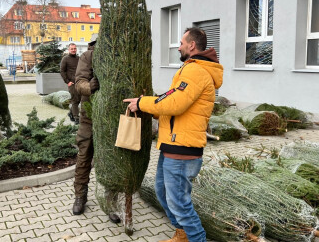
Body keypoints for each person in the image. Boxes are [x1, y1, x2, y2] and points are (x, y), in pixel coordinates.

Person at [124, 27, 223, 242]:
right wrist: (150, 103)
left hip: (182, 150)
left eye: (181, 42)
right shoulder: (190, 69)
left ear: (192, 45)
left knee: (180, 203)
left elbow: (175, 104)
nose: (178, 46)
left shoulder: (195, 71)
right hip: (172, 145)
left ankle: (196, 238)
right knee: (162, 191)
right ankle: (182, 234)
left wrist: (142, 102)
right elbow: (171, 99)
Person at [72, 36, 120, 224]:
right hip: (89, 118)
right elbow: (79, 82)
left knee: (108, 161)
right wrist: (89, 86)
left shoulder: (116, 56)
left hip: (110, 120)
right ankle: (80, 196)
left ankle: (110, 203)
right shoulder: (87, 56)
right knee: (84, 158)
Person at [60, 43, 81, 124]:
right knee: (75, 100)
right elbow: (62, 71)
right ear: (69, 49)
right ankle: (76, 118)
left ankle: (70, 113)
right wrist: (67, 82)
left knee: (78, 100)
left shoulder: (79, 58)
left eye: (74, 48)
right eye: (72, 49)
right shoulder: (65, 59)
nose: (73, 50)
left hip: (79, 82)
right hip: (71, 83)